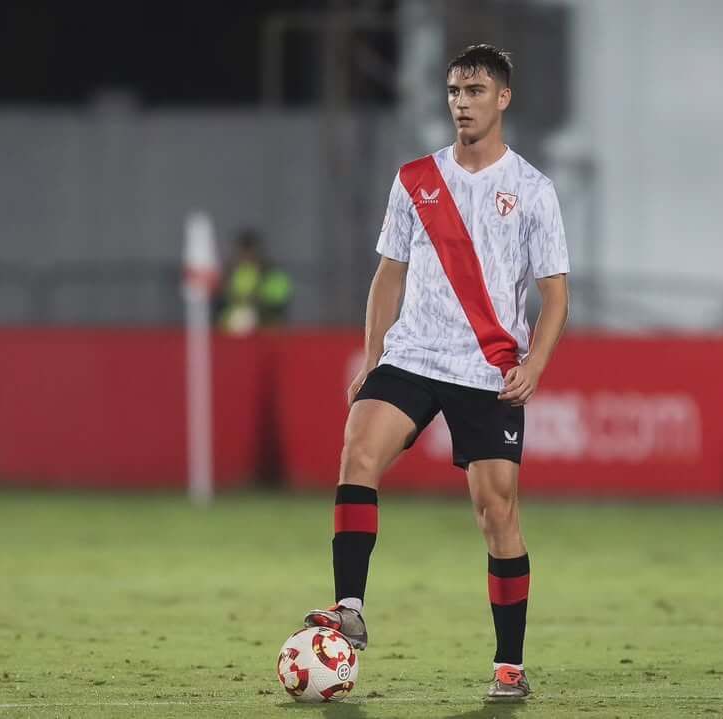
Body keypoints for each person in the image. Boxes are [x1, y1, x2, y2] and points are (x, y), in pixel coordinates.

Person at [304, 44, 570, 701]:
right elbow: (388, 272)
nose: (461, 102)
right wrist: (373, 358)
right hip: (414, 354)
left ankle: (509, 664)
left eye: (475, 90)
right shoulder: (416, 178)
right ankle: (349, 606)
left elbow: (556, 292)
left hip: (489, 367)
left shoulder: (533, 189)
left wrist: (534, 363)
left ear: (502, 98)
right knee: (356, 451)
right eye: (454, 90)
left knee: (496, 512)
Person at [215, 229, 292, 334]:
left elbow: (279, 301)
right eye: (243, 250)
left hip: (264, 327)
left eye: (249, 250)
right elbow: (221, 299)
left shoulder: (271, 273)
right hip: (231, 329)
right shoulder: (230, 272)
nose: (246, 255)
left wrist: (257, 301)